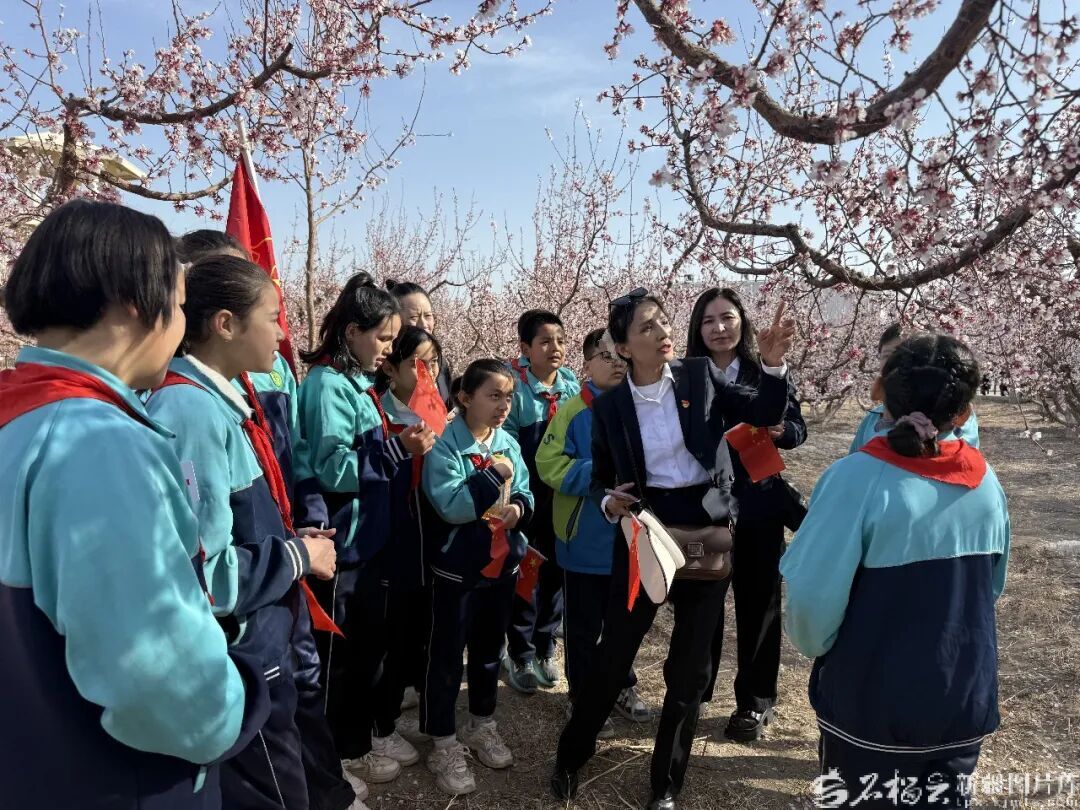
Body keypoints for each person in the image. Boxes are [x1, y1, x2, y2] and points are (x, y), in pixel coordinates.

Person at [0, 200, 270, 809]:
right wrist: (235, 701)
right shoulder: (99, 444)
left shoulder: (20, 416)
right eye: (178, 306)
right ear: (132, 303)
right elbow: (164, 683)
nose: (180, 330)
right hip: (121, 777)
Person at [552, 288, 796, 810]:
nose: (664, 332)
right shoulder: (611, 407)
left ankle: (666, 784)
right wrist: (609, 502)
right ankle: (571, 756)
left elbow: (762, 412)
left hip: (705, 530)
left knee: (690, 669)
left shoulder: (699, 376)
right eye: (647, 327)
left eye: (663, 321)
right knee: (614, 654)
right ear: (623, 347)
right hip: (647, 530)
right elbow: (601, 478)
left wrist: (773, 366)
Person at [780, 334, 1009, 809]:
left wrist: (818, 650)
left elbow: (811, 602)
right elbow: (992, 587)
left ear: (880, 392)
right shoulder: (986, 482)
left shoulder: (855, 479)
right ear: (964, 412)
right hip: (960, 699)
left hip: (871, 701)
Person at [145, 255, 339, 810]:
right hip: (240, 646)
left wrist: (289, 535)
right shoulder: (191, 410)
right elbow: (210, 575)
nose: (282, 334)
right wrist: (299, 555)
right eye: (273, 318)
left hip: (260, 635)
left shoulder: (218, 403)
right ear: (226, 324)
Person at [297, 274, 434, 794]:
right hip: (344, 546)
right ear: (352, 332)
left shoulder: (355, 383)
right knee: (339, 661)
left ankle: (355, 744)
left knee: (365, 652)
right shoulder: (326, 386)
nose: (388, 349)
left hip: (368, 542)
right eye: (382, 338)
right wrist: (399, 450)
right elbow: (333, 468)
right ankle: (332, 760)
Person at [686, 287, 807, 743]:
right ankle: (695, 691)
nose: (719, 328)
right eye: (708, 320)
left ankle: (755, 700)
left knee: (759, 604)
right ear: (697, 329)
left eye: (727, 318)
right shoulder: (685, 376)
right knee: (702, 603)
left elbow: (797, 426)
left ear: (743, 322)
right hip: (703, 506)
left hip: (759, 502)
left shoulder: (765, 370)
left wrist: (783, 431)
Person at [421, 359, 535, 796]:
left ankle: (482, 723)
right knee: (447, 655)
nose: (503, 405)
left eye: (508, 396)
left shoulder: (507, 441)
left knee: (490, 650)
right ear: (465, 398)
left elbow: (525, 489)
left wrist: (518, 508)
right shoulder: (445, 445)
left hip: (502, 566)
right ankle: (442, 741)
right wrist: (493, 475)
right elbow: (451, 506)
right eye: (493, 396)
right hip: (459, 570)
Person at [536, 328, 651, 738]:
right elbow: (548, 463)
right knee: (583, 626)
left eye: (622, 356)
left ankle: (621, 684)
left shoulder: (643, 406)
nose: (617, 364)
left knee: (625, 621)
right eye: (605, 357)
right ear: (585, 365)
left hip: (632, 539)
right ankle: (582, 696)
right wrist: (599, 475)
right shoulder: (572, 411)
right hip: (583, 537)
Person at [502, 309, 581, 694]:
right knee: (526, 573)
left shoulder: (570, 385)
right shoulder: (514, 389)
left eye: (561, 340)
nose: (555, 348)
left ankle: (546, 644)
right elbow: (505, 445)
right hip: (528, 495)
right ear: (525, 347)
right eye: (545, 341)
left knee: (556, 573)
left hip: (562, 495)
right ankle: (519, 651)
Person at [851, 324, 979, 453]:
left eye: (909, 356)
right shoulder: (872, 419)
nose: (898, 363)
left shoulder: (953, 413)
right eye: (889, 355)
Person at [385, 280, 453, 406]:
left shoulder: (439, 363)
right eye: (413, 317)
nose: (424, 324)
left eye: (428, 316)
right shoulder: (383, 363)